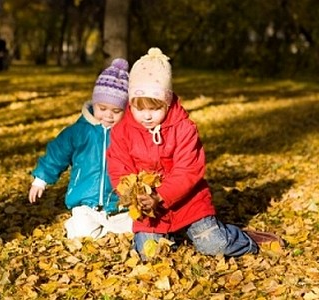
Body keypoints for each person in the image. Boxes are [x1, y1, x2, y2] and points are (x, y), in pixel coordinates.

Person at [107, 48, 281, 260]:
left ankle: (245, 239)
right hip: (148, 208)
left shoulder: (183, 127)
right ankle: (166, 236)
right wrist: (132, 195)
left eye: (155, 108)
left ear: (168, 101)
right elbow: (118, 165)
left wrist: (160, 195)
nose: (147, 116)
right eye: (139, 108)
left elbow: (188, 170)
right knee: (150, 254)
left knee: (214, 245)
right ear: (130, 103)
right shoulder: (122, 130)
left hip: (189, 202)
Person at [29, 58, 132, 239]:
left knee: (130, 229)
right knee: (83, 234)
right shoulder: (79, 131)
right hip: (85, 202)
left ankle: (108, 225)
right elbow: (57, 153)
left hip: (118, 203)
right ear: (94, 104)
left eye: (116, 111)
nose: (108, 115)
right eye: (102, 108)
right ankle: (79, 224)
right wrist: (41, 179)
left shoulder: (127, 133)